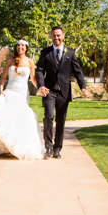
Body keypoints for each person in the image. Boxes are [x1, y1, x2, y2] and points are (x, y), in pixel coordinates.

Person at [0, 39, 44, 160]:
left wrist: (40, 88)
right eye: (18, 45)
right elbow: (3, 76)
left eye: (22, 45)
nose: (20, 47)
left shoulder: (30, 62)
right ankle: (7, 146)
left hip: (22, 93)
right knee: (6, 116)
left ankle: (16, 146)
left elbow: (33, 79)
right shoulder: (10, 60)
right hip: (10, 91)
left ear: (26, 48)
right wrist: (1, 89)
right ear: (16, 47)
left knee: (20, 117)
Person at [36, 25, 88, 159]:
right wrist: (41, 86)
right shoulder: (45, 52)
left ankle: (57, 149)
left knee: (61, 120)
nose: (56, 38)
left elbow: (77, 71)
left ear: (63, 36)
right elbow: (40, 71)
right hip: (49, 91)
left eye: (58, 35)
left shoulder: (70, 53)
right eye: (54, 35)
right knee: (48, 117)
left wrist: (83, 86)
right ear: (51, 37)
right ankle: (48, 147)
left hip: (64, 92)